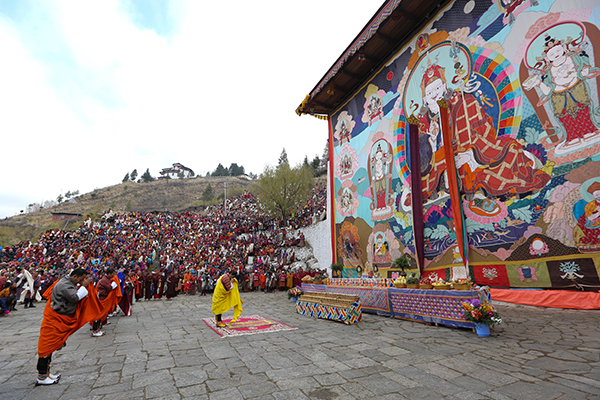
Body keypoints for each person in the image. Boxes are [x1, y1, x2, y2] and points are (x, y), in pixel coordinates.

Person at [36, 268, 94, 386]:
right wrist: (84, 286)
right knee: (47, 348)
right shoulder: (64, 285)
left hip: (60, 318)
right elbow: (74, 298)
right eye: (81, 279)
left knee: (51, 348)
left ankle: (47, 374)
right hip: (55, 319)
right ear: (75, 277)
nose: (81, 281)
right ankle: (42, 376)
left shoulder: (69, 282)